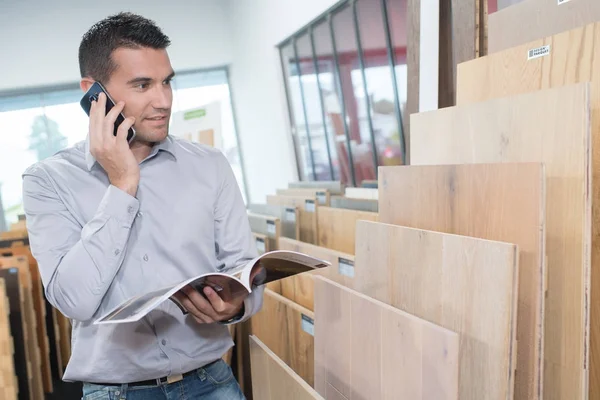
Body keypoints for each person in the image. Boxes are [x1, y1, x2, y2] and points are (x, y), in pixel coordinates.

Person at [21, 12, 263, 400]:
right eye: (142, 85)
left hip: (212, 382)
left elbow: (244, 269)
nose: (163, 100)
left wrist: (236, 306)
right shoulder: (47, 181)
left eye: (167, 82)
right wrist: (122, 184)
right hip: (115, 392)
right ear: (93, 91)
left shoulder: (210, 165)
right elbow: (74, 301)